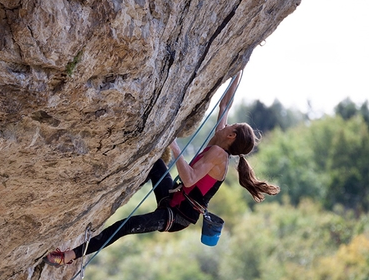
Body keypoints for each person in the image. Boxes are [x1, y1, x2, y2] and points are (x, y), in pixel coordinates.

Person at [44, 72, 279, 267]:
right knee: (153, 162)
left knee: (124, 226)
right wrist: (239, 71)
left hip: (177, 215)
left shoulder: (219, 155)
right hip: (173, 197)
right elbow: (225, 105)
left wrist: (174, 145)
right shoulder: (219, 143)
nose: (226, 124)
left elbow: (189, 180)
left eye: (232, 125)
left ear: (231, 135)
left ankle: (69, 256)